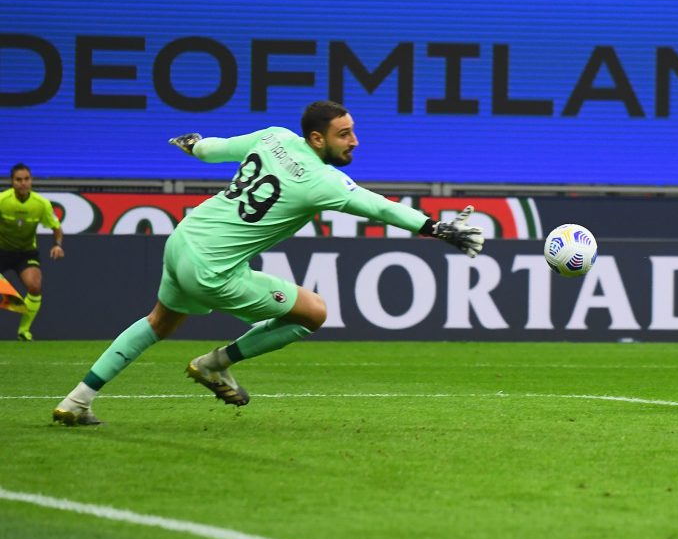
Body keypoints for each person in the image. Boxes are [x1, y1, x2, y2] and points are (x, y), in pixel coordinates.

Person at [53, 100, 484, 426]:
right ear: (317, 139)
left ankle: (77, 400)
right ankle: (215, 363)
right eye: (344, 134)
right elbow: (379, 207)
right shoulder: (323, 181)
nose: (354, 141)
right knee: (313, 312)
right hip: (213, 269)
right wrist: (436, 227)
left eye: (353, 131)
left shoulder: (273, 136)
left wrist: (194, 144)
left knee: (158, 323)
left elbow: (214, 150)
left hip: (184, 239)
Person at [0, 163, 64, 341]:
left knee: (35, 287)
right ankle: (7, 295)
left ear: (31, 180)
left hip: (26, 252)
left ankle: (23, 331)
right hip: (1, 250)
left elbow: (57, 228)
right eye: (18, 179)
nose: (23, 183)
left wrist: (57, 245)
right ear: (12, 182)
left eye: (26, 179)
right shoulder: (2, 200)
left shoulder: (41, 204)